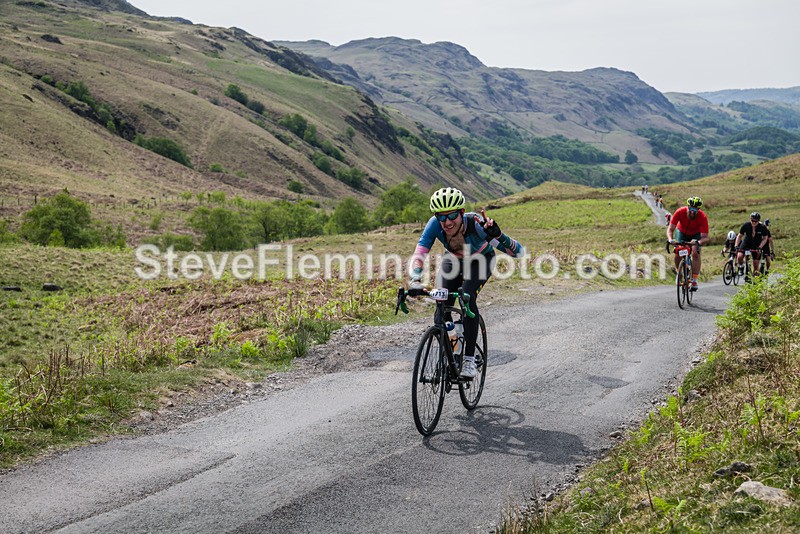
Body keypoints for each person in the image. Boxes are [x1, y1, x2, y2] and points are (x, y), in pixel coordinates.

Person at [409, 187, 524, 378]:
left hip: (481, 260)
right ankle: (454, 345)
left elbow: (518, 252)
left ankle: (469, 360)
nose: (447, 222)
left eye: (452, 215)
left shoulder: (477, 225)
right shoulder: (435, 225)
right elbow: (421, 250)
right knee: (441, 307)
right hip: (453, 259)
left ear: (462, 212)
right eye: (441, 217)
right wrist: (414, 280)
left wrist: (498, 235)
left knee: (467, 297)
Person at [667, 196, 709, 291]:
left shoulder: (702, 217)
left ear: (698, 209)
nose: (693, 212)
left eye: (695, 210)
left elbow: (705, 237)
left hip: (696, 235)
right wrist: (670, 239)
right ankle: (679, 273)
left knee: (695, 252)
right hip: (681, 232)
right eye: (691, 209)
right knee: (678, 251)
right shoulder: (680, 212)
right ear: (687, 207)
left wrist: (698, 242)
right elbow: (670, 229)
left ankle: (694, 280)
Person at [734, 212, 769, 279]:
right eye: (752, 221)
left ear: (758, 221)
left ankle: (755, 280)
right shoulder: (746, 225)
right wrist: (736, 246)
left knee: (755, 264)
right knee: (739, 256)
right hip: (747, 242)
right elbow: (739, 236)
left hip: (757, 244)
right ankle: (741, 266)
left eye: (756, 221)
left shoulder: (762, 227)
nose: (754, 223)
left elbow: (765, 238)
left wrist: (760, 247)